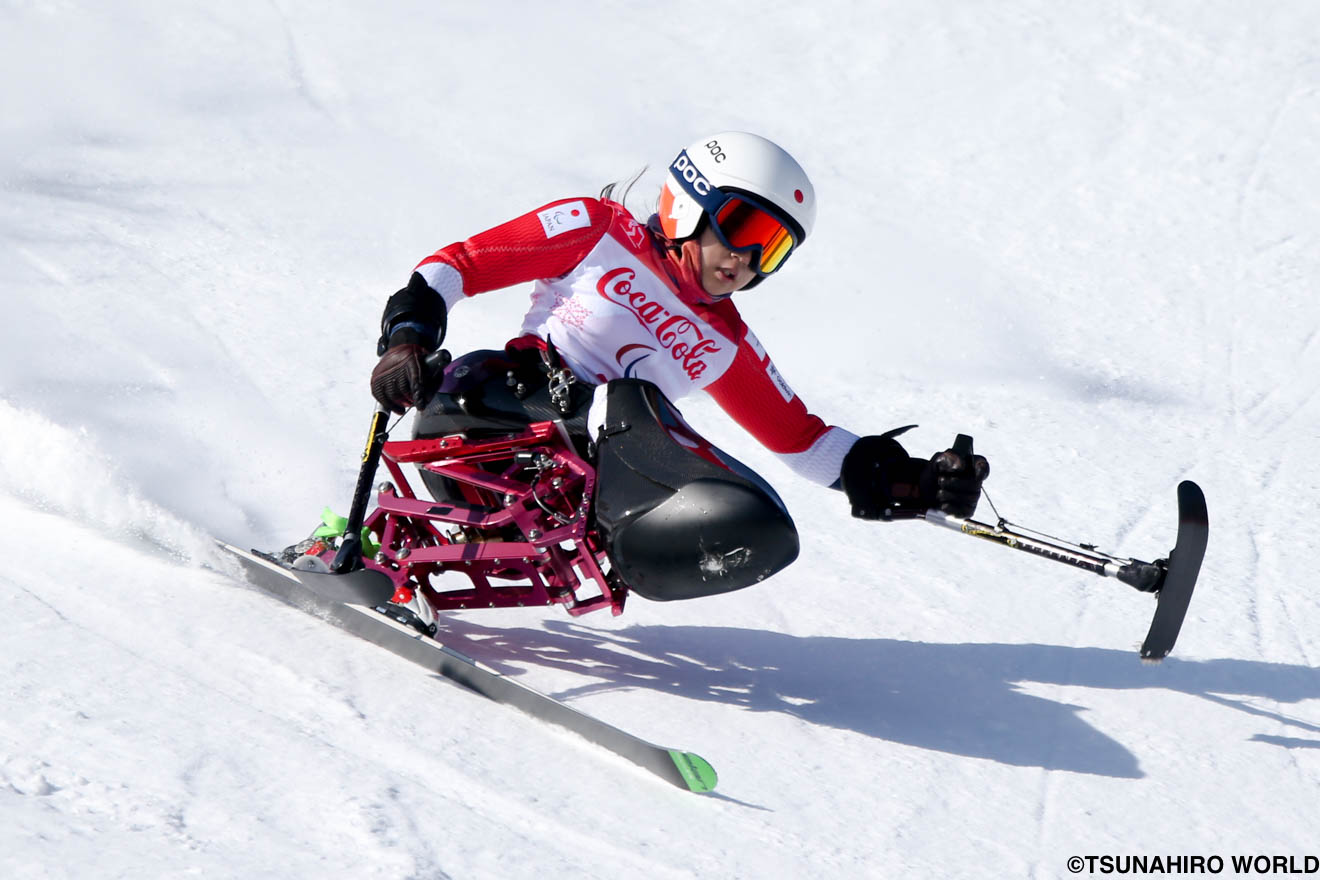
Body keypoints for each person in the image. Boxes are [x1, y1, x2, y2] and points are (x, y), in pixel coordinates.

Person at [368, 131, 989, 531]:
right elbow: (461, 265)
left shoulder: (726, 341)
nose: (743, 258)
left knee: (719, 484)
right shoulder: (598, 231)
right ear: (690, 201)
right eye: (741, 227)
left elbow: (801, 440)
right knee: (628, 402)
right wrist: (408, 338)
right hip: (489, 413)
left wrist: (914, 483)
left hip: (587, 482)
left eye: (769, 249)